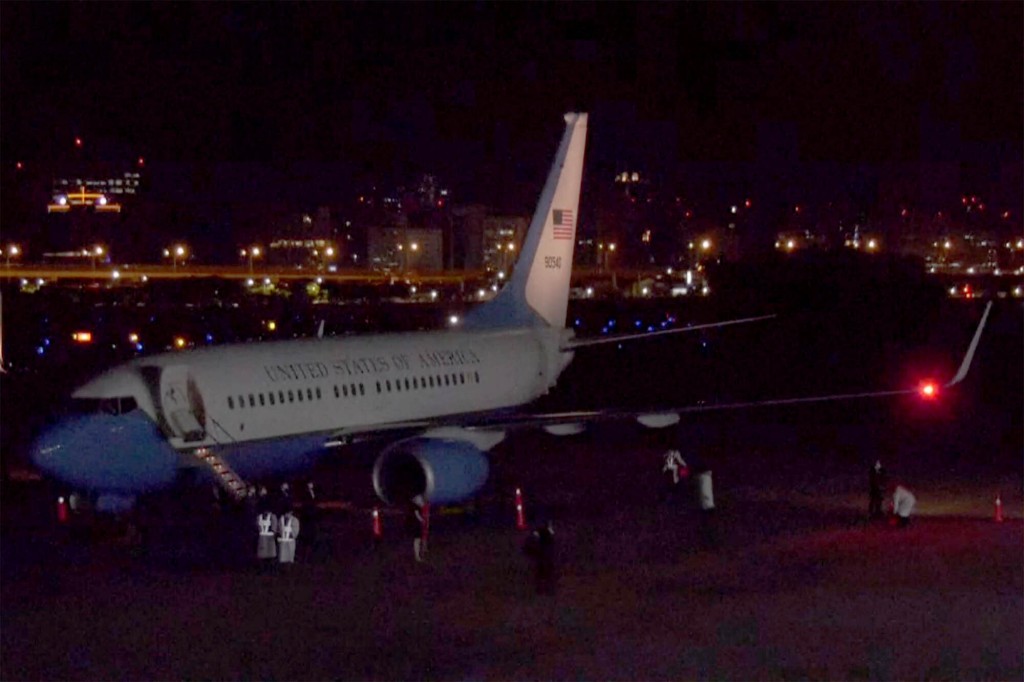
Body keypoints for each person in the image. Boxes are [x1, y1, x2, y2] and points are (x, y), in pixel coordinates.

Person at [524, 520, 557, 595]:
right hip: (543, 554)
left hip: (543, 554)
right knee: (543, 573)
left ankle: (544, 589)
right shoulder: (545, 531)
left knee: (543, 573)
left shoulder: (541, 532)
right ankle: (544, 589)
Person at [407, 495, 429, 562]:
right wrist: (422, 520)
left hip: (415, 524)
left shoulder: (414, 505)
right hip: (416, 525)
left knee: (418, 540)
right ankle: (417, 556)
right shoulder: (415, 506)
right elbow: (417, 514)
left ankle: (418, 555)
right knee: (417, 540)